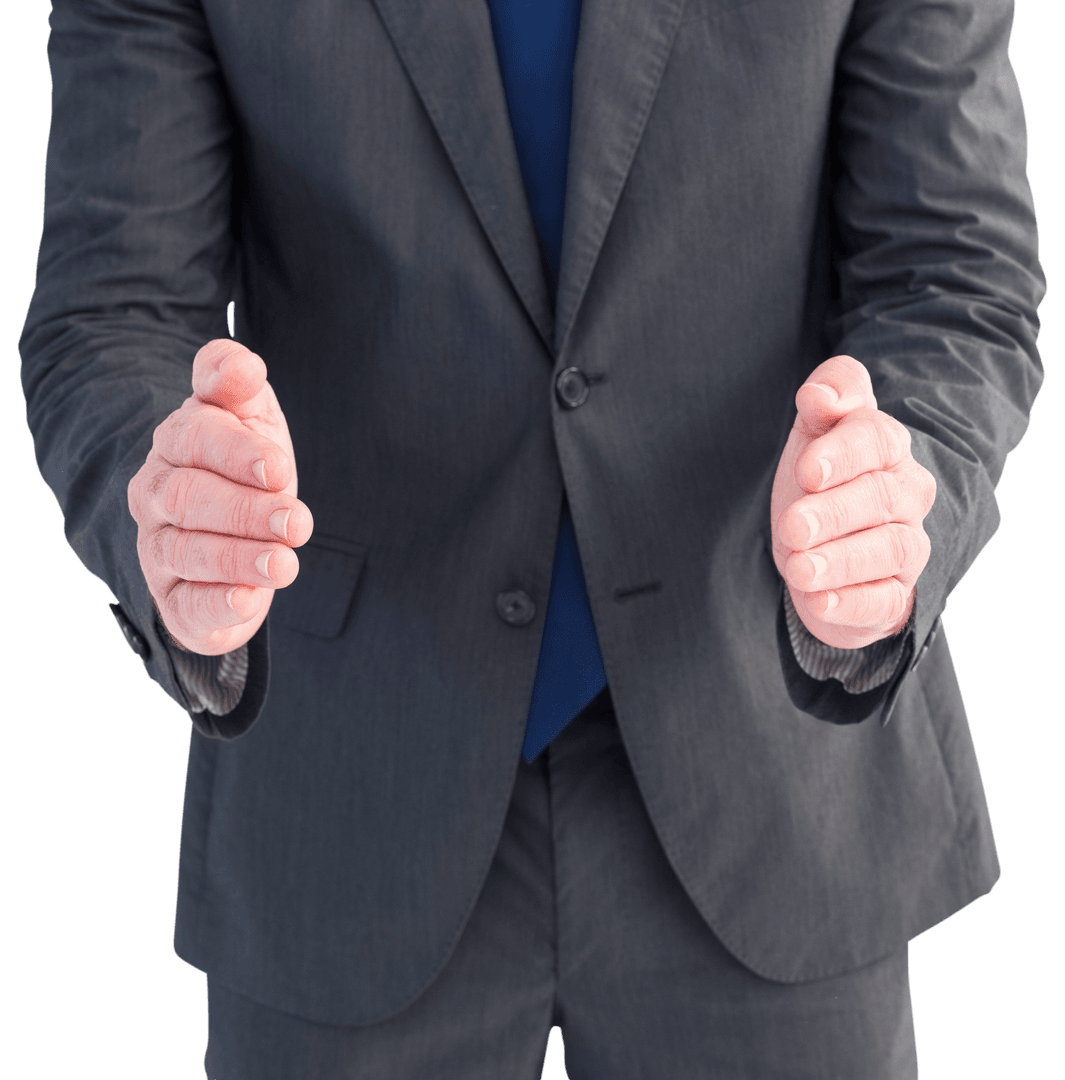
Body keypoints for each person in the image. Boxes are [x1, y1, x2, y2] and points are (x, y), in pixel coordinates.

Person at [19, 0, 1044, 1076]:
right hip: (346, 776)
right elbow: (111, 313)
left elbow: (955, 277)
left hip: (776, 748)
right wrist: (177, 507)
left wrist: (887, 494)